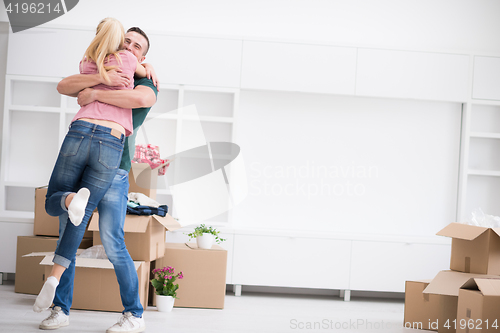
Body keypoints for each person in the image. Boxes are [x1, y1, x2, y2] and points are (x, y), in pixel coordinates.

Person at [38, 26, 158, 333]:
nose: (130, 47)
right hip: (85, 160)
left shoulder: (145, 79)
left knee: (113, 242)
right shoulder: (105, 64)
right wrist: (99, 81)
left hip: (115, 171)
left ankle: (134, 314)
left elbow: (140, 99)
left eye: (137, 46)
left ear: (143, 56)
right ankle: (60, 309)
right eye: (126, 41)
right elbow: (68, 86)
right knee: (69, 228)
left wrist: (93, 94)